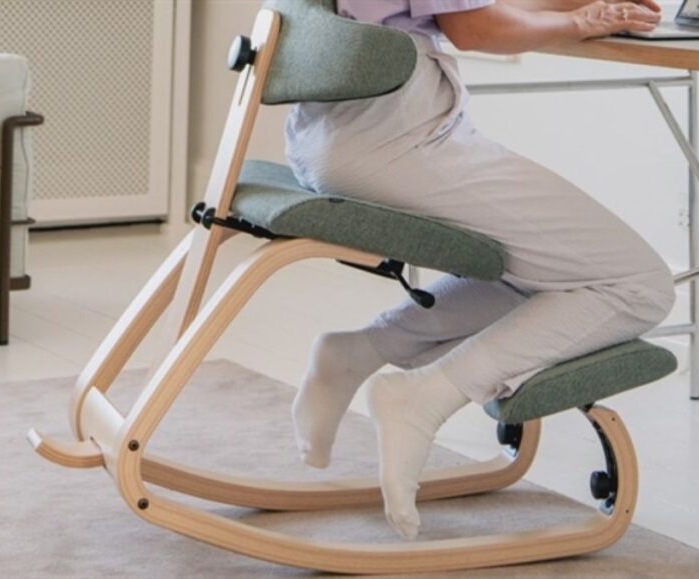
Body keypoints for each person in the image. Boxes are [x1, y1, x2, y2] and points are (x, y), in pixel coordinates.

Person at [288, 0, 675, 539]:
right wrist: (577, 22)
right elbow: (473, 26)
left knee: (551, 270)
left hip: (328, 131)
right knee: (638, 285)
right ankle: (421, 398)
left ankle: (358, 352)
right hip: (398, 138)